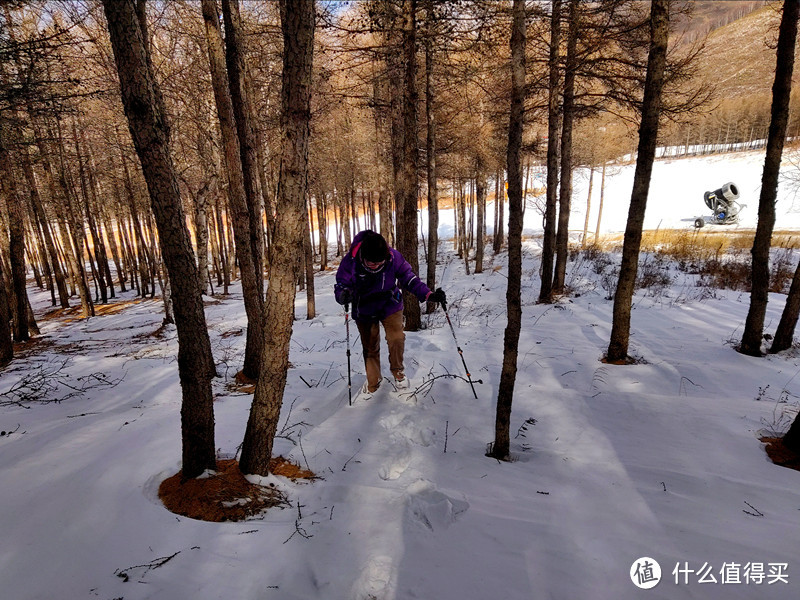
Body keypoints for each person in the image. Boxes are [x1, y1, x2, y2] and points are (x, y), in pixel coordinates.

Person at [335, 230, 446, 395]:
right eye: (371, 263)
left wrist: (428, 294)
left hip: (390, 303)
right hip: (364, 307)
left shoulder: (393, 257)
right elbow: (341, 283)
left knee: (396, 338)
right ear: (363, 257)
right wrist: (343, 294)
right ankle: (374, 383)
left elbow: (409, 278)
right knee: (370, 347)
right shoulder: (350, 261)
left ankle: (398, 373)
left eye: (379, 263)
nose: (376, 266)